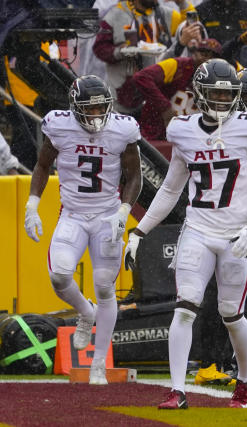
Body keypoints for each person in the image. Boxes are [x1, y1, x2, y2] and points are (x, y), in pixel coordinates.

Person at [124, 59, 247, 409]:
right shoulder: (183, 130)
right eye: (216, 94)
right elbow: (170, 189)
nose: (222, 101)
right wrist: (140, 231)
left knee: (230, 314)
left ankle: (245, 378)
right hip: (198, 229)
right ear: (200, 95)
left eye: (228, 95)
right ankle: (177, 390)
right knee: (185, 307)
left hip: (237, 231)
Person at [24, 75, 142, 384]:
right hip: (73, 214)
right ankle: (85, 312)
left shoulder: (121, 128)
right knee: (59, 274)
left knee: (105, 286)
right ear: (75, 109)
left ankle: (99, 363)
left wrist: (123, 211)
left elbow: (134, 176)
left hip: (106, 216)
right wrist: (32, 205)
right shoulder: (58, 125)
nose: (95, 115)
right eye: (88, 110)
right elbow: (41, 165)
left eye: (100, 108)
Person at [93, 0, 195, 115]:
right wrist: (120, 52)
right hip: (124, 95)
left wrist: (182, 3)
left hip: (157, 92)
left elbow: (193, 28)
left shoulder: (163, 13)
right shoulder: (116, 14)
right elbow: (99, 48)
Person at [132, 38, 221, 140]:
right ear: (194, 53)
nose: (207, 59)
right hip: (157, 134)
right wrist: (165, 107)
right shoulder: (177, 65)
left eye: (212, 57)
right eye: (203, 53)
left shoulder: (219, 78)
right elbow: (141, 77)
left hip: (191, 139)